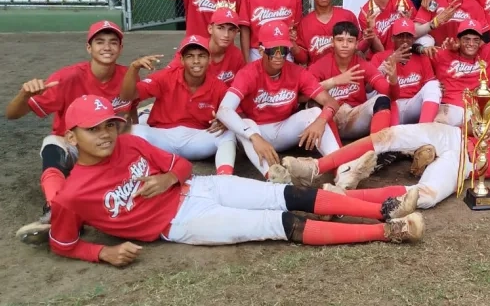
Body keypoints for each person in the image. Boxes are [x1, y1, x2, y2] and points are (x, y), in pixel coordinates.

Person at [47, 95, 424, 266]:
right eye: (92, 129)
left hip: (198, 187)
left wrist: (166, 179)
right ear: (70, 137)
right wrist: (104, 252)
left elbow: (180, 166)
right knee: (277, 224)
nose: (105, 134)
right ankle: (387, 232)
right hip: (179, 223)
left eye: (109, 124)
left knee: (287, 193)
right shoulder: (71, 196)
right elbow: (63, 244)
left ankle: (382, 209)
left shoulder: (130, 144)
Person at [282, 90, 490, 212]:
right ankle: (314, 169)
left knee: (425, 197)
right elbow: (470, 122)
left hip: (466, 164)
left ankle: (342, 198)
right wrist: (478, 126)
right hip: (452, 137)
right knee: (392, 134)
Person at [7, 21, 137, 244]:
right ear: (89, 48)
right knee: (52, 142)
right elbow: (12, 114)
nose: (107, 47)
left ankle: (100, 206)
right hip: (77, 150)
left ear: (121, 48)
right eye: (100, 42)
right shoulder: (67, 77)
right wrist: (24, 95)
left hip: (109, 151)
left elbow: (131, 114)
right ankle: (54, 207)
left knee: (138, 133)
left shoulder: (128, 75)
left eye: (113, 42)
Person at [216, 21, 342, 179]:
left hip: (284, 128)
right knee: (246, 125)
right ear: (262, 51)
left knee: (316, 112)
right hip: (257, 131)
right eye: (273, 50)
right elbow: (224, 110)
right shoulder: (248, 73)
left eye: (283, 50)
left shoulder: (296, 71)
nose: (278, 56)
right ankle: (275, 177)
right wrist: (254, 137)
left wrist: (321, 121)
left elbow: (331, 102)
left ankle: (340, 168)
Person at [119, 34, 238, 175]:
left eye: (201, 56)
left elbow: (234, 114)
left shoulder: (218, 86)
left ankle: (224, 178)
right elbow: (127, 96)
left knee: (229, 132)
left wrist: (225, 121)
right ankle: (122, 175)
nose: (196, 61)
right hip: (162, 138)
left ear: (209, 59)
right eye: (190, 56)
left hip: (196, 140)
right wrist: (134, 68)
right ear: (181, 60)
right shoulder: (166, 76)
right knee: (128, 130)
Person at [309, 21, 395, 140]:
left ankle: (378, 144)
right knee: (312, 105)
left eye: (350, 41)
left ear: (356, 44)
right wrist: (334, 81)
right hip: (329, 121)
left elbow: (389, 94)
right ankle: (336, 150)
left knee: (382, 99)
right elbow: (302, 96)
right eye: (339, 40)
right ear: (332, 42)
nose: (344, 45)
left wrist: (394, 82)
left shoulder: (362, 65)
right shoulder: (321, 65)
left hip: (355, 118)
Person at [428, 19, 490, 127]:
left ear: (481, 41)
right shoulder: (443, 54)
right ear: (458, 40)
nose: (471, 44)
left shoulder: (488, 52)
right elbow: (417, 54)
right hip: (450, 109)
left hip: (476, 110)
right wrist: (422, 48)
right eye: (466, 39)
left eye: (476, 40)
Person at [371, 18, 441, 124]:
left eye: (408, 36)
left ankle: (424, 128)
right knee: (383, 99)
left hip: (411, 106)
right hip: (389, 106)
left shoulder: (421, 58)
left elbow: (429, 88)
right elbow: (368, 89)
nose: (404, 40)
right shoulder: (379, 57)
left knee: (434, 85)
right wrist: (390, 61)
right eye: (400, 36)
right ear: (392, 38)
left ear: (413, 39)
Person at [294, 0, 364, 65]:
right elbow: (303, 59)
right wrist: (292, 44)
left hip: (346, 73)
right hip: (317, 76)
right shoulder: (304, 23)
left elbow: (358, 47)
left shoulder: (347, 16)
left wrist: (369, 37)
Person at [166, 7, 246, 84]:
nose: (226, 34)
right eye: (220, 28)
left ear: (236, 32)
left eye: (231, 29)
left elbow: (242, 86)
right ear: (210, 29)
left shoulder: (236, 55)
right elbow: (165, 76)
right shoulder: (194, 48)